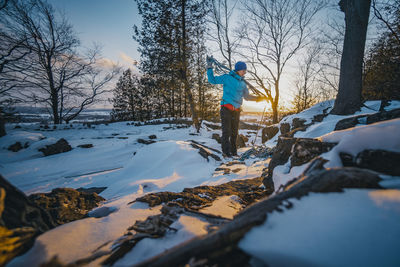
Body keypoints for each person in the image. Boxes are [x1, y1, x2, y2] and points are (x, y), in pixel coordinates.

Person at [207, 59, 265, 158]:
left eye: (245, 70)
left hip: (236, 110)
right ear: (238, 70)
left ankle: (234, 152)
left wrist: (259, 99)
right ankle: (226, 152)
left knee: (234, 133)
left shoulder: (243, 83)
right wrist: (209, 67)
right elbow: (212, 80)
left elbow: (247, 97)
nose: (244, 72)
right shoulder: (227, 78)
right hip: (226, 108)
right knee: (227, 131)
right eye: (243, 70)